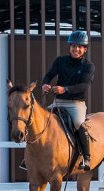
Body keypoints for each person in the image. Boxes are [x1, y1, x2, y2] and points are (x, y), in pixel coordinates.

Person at [41, 30, 95, 170]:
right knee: (41, 121)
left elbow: (84, 86)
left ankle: (86, 157)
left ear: (85, 49)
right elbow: (49, 75)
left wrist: (64, 89)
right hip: (58, 102)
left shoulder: (88, 66)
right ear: (70, 47)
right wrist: (45, 84)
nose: (76, 49)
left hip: (76, 104)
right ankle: (30, 158)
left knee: (78, 123)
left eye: (79, 47)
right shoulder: (60, 61)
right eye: (73, 46)